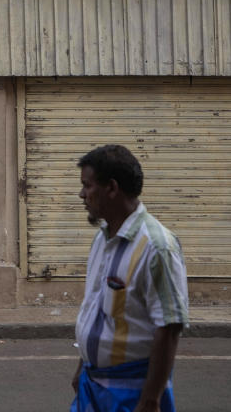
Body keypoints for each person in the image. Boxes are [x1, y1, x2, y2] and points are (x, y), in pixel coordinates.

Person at [71, 145, 189, 412]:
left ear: (111, 188)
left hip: (131, 394)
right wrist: (83, 365)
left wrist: (150, 401)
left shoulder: (157, 247)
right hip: (93, 387)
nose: (81, 194)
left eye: (87, 186)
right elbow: (97, 309)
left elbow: (169, 328)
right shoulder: (102, 239)